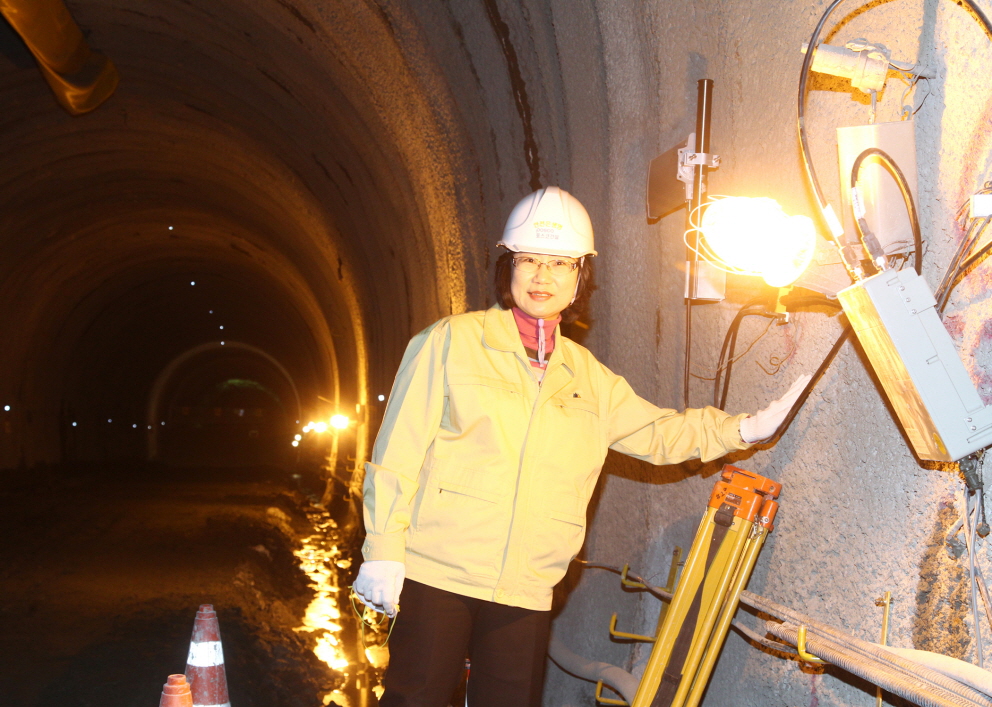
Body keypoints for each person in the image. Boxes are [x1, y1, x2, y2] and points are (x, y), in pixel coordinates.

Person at [353, 186, 808, 706]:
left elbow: (659, 432)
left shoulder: (588, 378)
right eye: (529, 260)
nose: (542, 276)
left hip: (527, 587)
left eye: (560, 264)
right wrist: (384, 551)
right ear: (510, 268)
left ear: (578, 278)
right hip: (439, 574)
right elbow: (397, 454)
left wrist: (743, 429)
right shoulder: (450, 342)